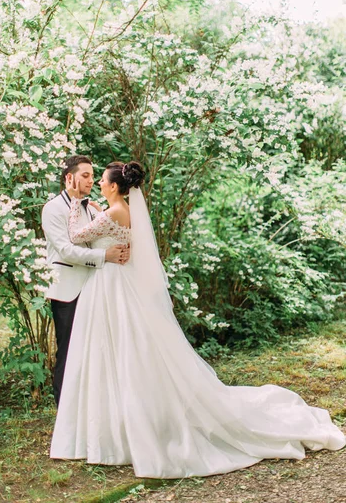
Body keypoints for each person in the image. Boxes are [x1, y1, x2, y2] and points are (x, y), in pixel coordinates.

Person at [50, 160, 345, 478]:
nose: (98, 184)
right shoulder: (121, 210)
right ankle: (121, 426)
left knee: (116, 354)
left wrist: (76, 202)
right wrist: (93, 207)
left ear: (113, 187)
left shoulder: (112, 213)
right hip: (116, 286)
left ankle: (118, 432)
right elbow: (105, 229)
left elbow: (77, 237)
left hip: (111, 287)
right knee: (124, 354)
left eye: (102, 181)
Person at [41, 155, 130, 406]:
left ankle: (91, 405)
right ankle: (64, 408)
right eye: (86, 176)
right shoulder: (52, 209)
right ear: (69, 178)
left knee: (95, 349)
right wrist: (105, 255)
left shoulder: (93, 208)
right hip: (68, 290)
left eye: (93, 176)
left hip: (96, 288)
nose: (91, 180)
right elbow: (66, 250)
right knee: (68, 351)